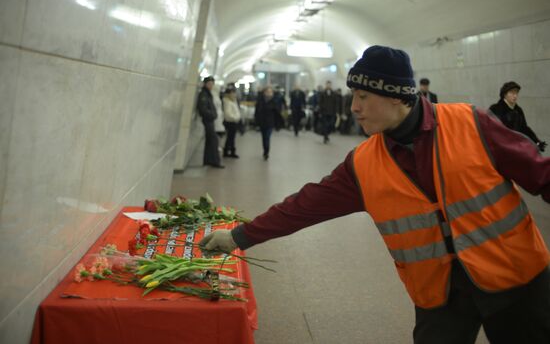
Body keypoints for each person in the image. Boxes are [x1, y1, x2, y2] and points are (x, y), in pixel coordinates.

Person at [201, 45, 550, 343]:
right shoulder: (363, 165)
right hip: (440, 293)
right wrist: (238, 237)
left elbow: (540, 174)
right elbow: (304, 206)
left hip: (517, 280)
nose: (354, 107)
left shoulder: (470, 124)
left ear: (398, 96)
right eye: (354, 95)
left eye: (364, 96)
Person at [489, 81, 547, 152]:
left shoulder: (518, 110)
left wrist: (537, 142)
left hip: (516, 148)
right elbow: (493, 132)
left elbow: (524, 129)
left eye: (516, 93)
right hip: (501, 150)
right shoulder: (495, 109)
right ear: (505, 94)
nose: (515, 95)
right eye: (512, 93)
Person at [196, 76, 224, 168]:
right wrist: (212, 114)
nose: (211, 86)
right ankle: (215, 161)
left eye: (212, 84)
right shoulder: (204, 94)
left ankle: (208, 160)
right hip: (208, 120)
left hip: (210, 120)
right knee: (213, 140)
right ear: (205, 84)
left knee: (210, 140)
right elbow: (203, 108)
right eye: (209, 84)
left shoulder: (208, 93)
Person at [254, 86, 282, 160]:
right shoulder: (260, 100)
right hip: (262, 122)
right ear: (264, 93)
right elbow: (256, 112)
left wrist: (278, 124)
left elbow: (277, 113)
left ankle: (266, 152)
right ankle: (265, 150)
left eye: (270, 92)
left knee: (267, 137)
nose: (269, 93)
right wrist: (256, 123)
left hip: (270, 122)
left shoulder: (274, 101)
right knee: (263, 138)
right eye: (268, 92)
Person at [222, 86, 241, 158]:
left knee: (231, 137)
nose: (234, 94)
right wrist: (235, 118)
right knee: (230, 137)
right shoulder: (227, 102)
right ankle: (228, 151)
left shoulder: (233, 101)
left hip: (234, 121)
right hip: (230, 122)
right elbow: (228, 113)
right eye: (232, 93)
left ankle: (229, 151)